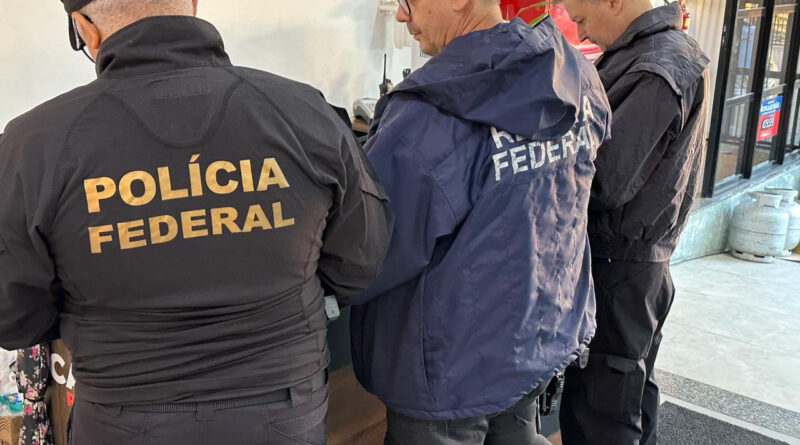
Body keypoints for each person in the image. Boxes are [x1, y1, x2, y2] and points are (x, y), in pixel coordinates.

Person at [0, 0, 393, 444]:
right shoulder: (305, 112)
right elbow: (361, 262)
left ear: (84, 30)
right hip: (282, 413)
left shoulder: (32, 146)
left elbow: (14, 318)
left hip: (121, 417)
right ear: (192, 4)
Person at [340, 0, 612, 443]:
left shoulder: (426, 117)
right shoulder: (575, 76)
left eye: (407, 1)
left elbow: (368, 250)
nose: (402, 15)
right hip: (538, 337)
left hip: (448, 370)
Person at [558, 1, 710, 444]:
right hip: (635, 266)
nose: (581, 33)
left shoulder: (655, 69)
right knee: (629, 396)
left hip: (619, 268)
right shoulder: (654, 53)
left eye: (581, 18)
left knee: (601, 413)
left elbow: (606, 180)